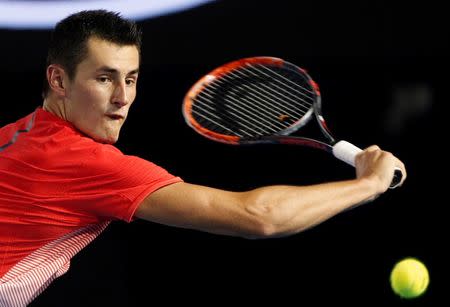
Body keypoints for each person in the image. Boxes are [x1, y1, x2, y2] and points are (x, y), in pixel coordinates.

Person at [0, 9, 406, 306]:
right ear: (58, 80)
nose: (122, 98)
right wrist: (367, 184)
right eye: (104, 78)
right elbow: (257, 217)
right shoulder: (84, 163)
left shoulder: (13, 136)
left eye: (131, 79)